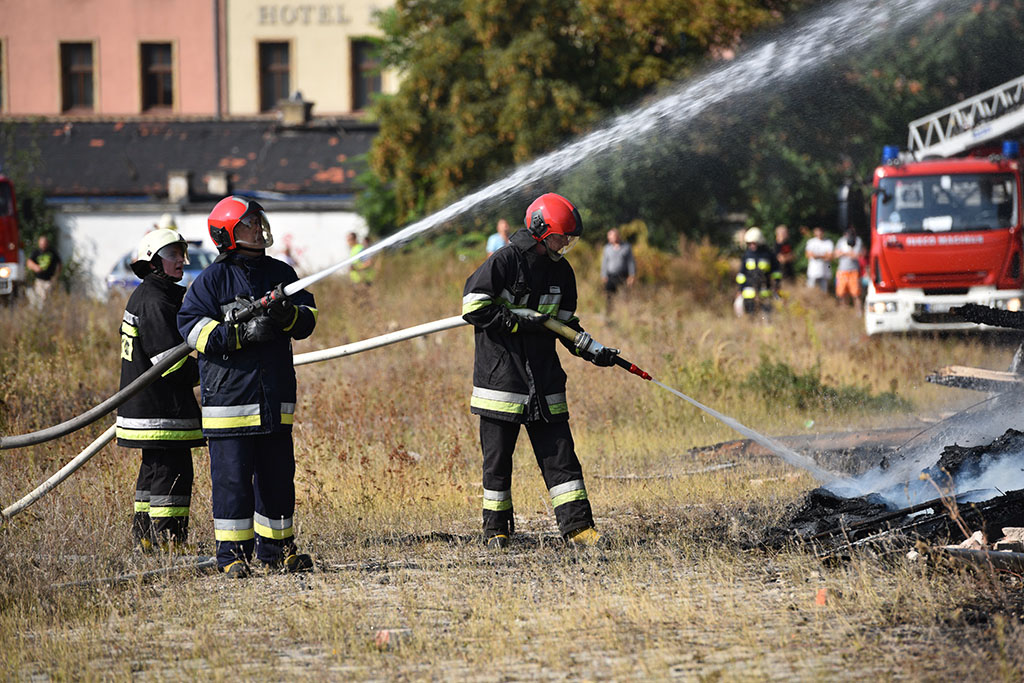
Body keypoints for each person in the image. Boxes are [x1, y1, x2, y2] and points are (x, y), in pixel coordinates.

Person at [461, 192, 618, 550]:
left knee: (561, 457)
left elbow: (564, 325)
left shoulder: (562, 272)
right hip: (502, 381)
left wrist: (593, 351)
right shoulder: (504, 261)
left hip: (545, 381)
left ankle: (578, 527)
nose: (566, 244)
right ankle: (496, 531)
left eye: (569, 238)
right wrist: (518, 324)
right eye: (561, 237)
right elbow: (473, 305)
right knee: (498, 463)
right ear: (539, 230)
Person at [177, 196, 318, 578]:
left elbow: (309, 318)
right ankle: (232, 557)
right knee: (233, 481)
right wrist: (238, 336)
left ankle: (278, 550)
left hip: (274, 397)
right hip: (230, 401)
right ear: (227, 235)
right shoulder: (211, 280)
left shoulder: (281, 273)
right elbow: (191, 328)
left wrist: (288, 316)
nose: (258, 228)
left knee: (277, 478)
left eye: (258, 221)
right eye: (248, 224)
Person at [117, 228, 205, 552]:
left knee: (153, 471)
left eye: (182, 254)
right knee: (173, 472)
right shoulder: (155, 301)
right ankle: (169, 542)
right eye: (173, 255)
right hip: (161, 412)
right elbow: (170, 363)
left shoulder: (151, 293)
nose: (182, 260)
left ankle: (146, 538)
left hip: (144, 408)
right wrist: (210, 371)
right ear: (154, 262)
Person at [735, 227, 781, 317]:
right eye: (750, 243)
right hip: (748, 290)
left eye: (754, 243)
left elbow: (776, 271)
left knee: (766, 314)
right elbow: (741, 273)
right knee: (750, 314)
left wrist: (777, 284)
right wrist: (740, 289)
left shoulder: (768, 254)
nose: (752, 245)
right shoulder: (747, 255)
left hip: (765, 289)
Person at [600, 228, 636, 315]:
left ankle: (624, 315)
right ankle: (609, 315)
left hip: (623, 276)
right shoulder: (607, 248)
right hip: (611, 276)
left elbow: (631, 262)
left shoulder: (626, 247)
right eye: (609, 237)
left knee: (624, 296)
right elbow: (604, 262)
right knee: (609, 297)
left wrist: (632, 275)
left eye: (611, 236)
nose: (609, 238)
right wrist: (603, 275)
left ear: (617, 236)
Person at [834, 226, 864, 312]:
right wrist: (848, 253)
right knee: (842, 293)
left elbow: (856, 256)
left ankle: (858, 312)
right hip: (842, 271)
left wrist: (843, 253)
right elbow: (836, 254)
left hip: (854, 271)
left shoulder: (858, 240)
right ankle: (844, 313)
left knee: (856, 293)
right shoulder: (841, 241)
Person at [26, 235, 62, 307]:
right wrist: (35, 267)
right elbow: (29, 262)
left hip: (49, 279)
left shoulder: (52, 252)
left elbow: (59, 263)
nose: (43, 245)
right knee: (41, 297)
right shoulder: (36, 252)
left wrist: (57, 275)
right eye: (41, 244)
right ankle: (40, 313)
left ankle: (45, 312)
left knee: (47, 297)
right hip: (39, 280)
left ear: (47, 243)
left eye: (44, 244)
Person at [805, 226, 834, 293]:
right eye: (817, 231)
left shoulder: (828, 242)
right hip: (813, 271)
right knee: (811, 289)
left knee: (824, 290)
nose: (819, 233)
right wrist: (823, 255)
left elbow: (830, 256)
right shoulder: (811, 242)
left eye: (821, 231)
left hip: (825, 270)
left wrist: (816, 255)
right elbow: (808, 255)